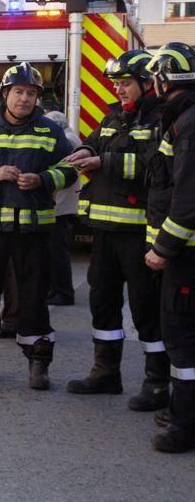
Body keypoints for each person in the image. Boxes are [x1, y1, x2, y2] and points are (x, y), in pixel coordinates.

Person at [0, 62, 77, 389]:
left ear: (38, 98)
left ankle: (38, 362)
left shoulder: (50, 131)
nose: (24, 99)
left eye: (31, 93)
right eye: (18, 92)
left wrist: (45, 179)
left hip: (34, 230)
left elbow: (71, 169)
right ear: (5, 94)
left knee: (33, 296)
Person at [65, 50, 168, 411]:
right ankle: (105, 372)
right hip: (105, 232)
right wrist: (83, 150)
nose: (120, 90)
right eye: (117, 84)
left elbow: (156, 165)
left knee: (146, 309)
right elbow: (96, 141)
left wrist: (102, 160)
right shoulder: (113, 115)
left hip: (140, 232)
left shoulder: (161, 118)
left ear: (145, 82)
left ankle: (157, 383)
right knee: (102, 301)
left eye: (125, 83)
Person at [142, 43, 195, 453]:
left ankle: (185, 426)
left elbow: (187, 197)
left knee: (183, 339)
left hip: (187, 256)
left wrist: (164, 247)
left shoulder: (188, 124)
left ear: (164, 80)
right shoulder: (184, 118)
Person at [42, 111, 82, 306]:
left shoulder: (67, 140)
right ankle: (55, 290)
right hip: (62, 204)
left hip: (61, 205)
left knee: (57, 251)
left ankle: (63, 292)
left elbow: (64, 172)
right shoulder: (70, 137)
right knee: (53, 250)